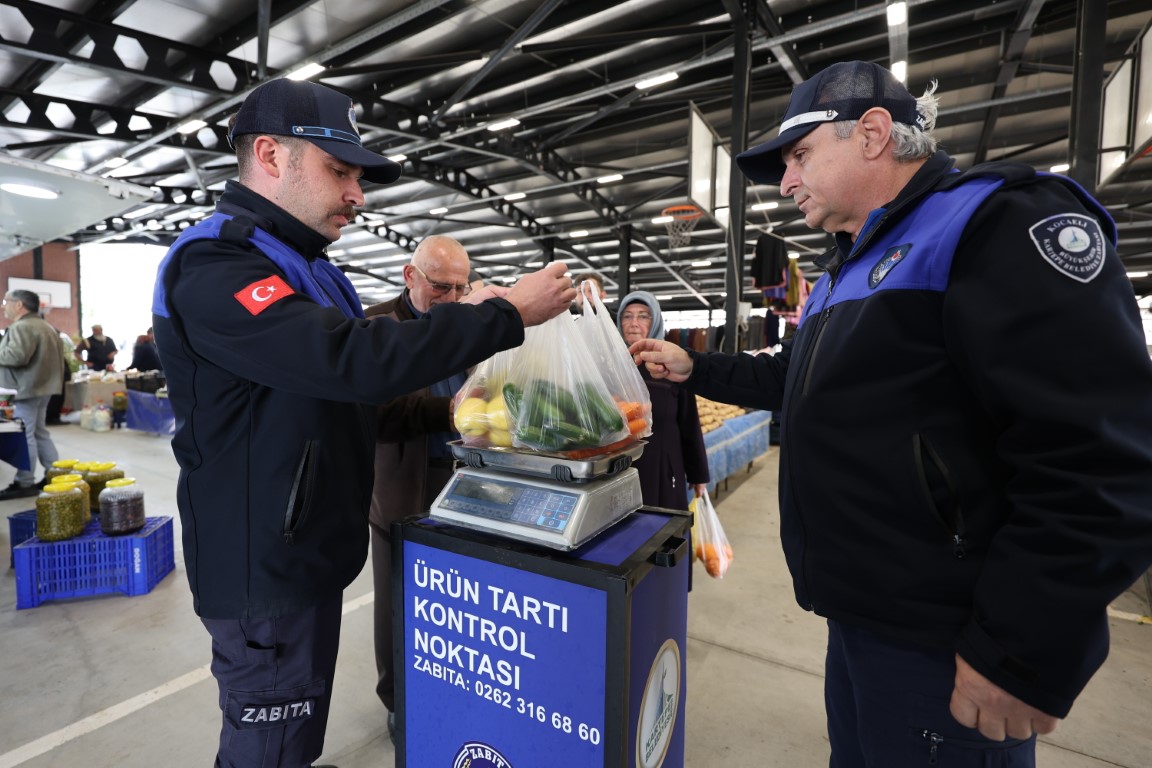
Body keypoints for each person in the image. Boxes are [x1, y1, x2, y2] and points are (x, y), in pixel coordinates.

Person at [629, 60, 1152, 767]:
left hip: (950, 639)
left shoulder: (991, 223)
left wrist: (1020, 650)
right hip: (864, 619)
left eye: (800, 156)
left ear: (872, 134)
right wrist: (699, 368)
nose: (786, 184)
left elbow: (1098, 456)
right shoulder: (848, 265)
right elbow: (798, 382)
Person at [150, 77, 575, 768]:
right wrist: (503, 316)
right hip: (263, 567)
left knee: (296, 734)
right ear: (269, 155)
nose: (358, 194)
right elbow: (351, 359)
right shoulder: (216, 263)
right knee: (269, 744)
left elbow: (359, 402)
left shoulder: (313, 270)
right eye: (339, 171)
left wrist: (453, 413)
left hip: (307, 552)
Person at [362, 234, 475, 741]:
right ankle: (398, 701)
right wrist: (446, 412)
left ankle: (448, 690)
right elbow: (375, 414)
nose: (452, 298)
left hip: (463, 479)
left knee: (454, 599)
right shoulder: (378, 326)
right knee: (399, 602)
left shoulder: (464, 325)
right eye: (441, 287)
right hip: (404, 485)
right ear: (411, 277)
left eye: (460, 288)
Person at [616, 290, 708, 509]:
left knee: (661, 531)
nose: (634, 323)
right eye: (627, 316)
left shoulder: (670, 365)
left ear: (655, 320)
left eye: (643, 316)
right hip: (619, 470)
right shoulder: (611, 366)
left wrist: (698, 474)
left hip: (662, 467)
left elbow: (689, 423)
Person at [0, 289, 65, 499]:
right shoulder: (46, 326)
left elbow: (17, 356)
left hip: (24, 389)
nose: (3, 306)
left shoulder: (22, 326)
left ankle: (24, 481)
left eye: (6, 301)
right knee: (39, 432)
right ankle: (56, 474)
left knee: (25, 433)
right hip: (43, 388)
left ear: (19, 305)